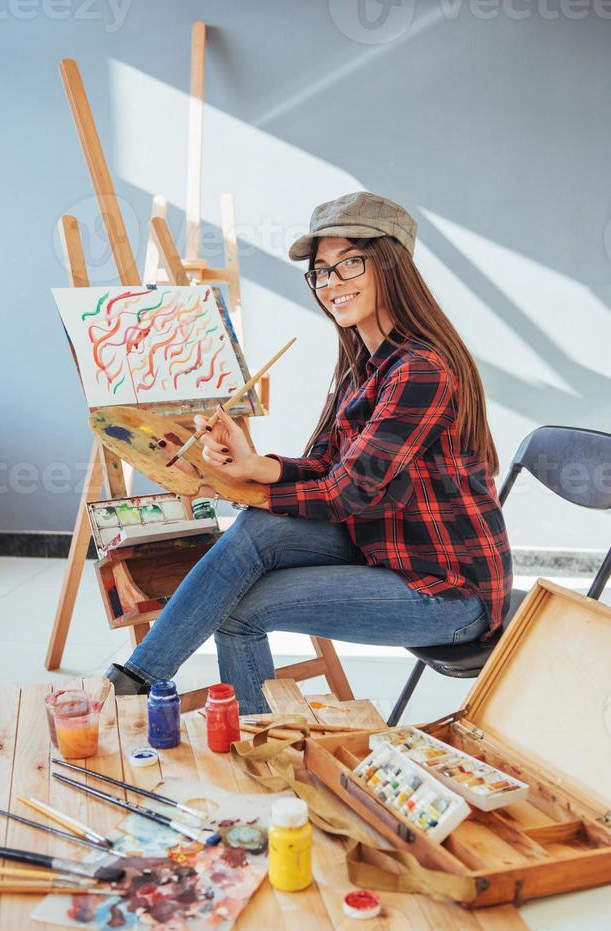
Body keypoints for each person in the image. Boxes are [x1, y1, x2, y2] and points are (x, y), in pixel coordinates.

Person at [105, 192, 513, 714]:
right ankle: (135, 679)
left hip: (447, 593)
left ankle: (234, 732)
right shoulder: (360, 365)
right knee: (259, 530)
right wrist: (255, 467)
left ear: (391, 264)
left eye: (348, 264)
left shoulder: (419, 371)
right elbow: (326, 466)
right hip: (384, 547)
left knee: (241, 606)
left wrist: (237, 486)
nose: (332, 284)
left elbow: (345, 495)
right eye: (321, 272)